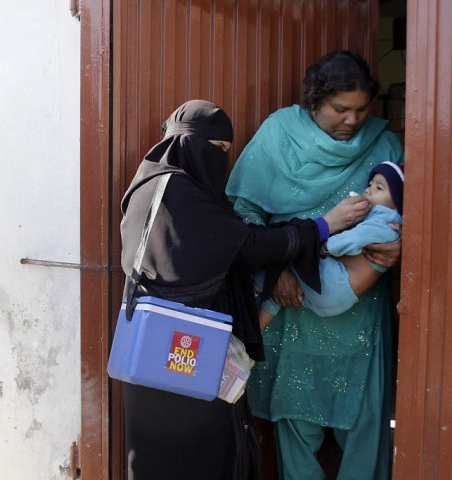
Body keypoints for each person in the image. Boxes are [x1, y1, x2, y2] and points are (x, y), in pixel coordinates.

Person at [119, 99, 364, 479]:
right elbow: (247, 245)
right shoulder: (181, 195)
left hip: (151, 352)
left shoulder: (150, 186)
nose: (221, 161)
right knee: (204, 454)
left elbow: (229, 241)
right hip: (189, 351)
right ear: (189, 144)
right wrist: (321, 226)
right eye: (216, 150)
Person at [225, 51, 404, 479]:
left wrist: (403, 248)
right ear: (314, 101)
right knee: (295, 418)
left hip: (360, 308)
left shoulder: (385, 144)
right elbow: (243, 214)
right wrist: (279, 271)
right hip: (292, 302)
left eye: (361, 109)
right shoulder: (279, 133)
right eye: (339, 109)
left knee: (365, 421)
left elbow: (410, 213)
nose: (352, 119)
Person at [258, 161, 404, 330]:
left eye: (379, 188)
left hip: (334, 286)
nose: (368, 190)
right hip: (335, 296)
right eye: (370, 184)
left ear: (397, 201)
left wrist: (325, 246)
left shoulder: (385, 222)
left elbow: (353, 239)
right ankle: (250, 343)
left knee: (286, 264)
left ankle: (253, 282)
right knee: (278, 295)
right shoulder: (381, 221)